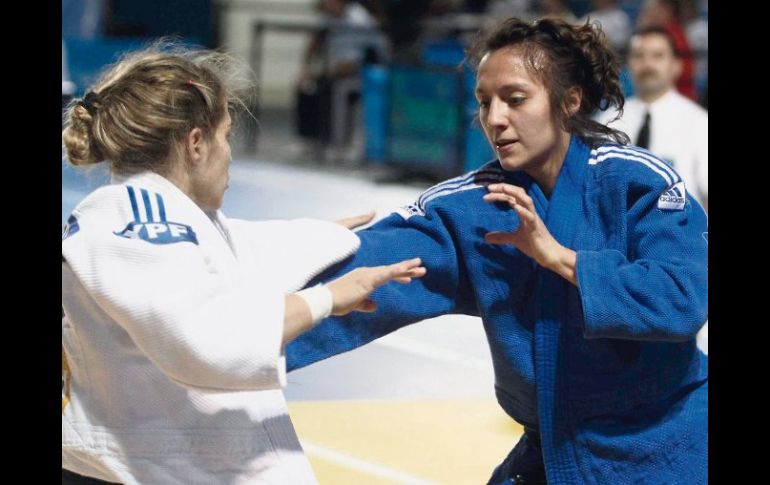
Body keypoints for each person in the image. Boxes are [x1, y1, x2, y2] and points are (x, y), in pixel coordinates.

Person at [286, 17, 708, 484]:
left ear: (570, 101)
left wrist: (560, 258)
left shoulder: (636, 183)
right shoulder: (478, 205)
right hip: (558, 450)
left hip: (668, 443)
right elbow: (379, 264)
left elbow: (682, 296)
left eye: (515, 98)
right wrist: (270, 302)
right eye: (485, 102)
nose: (495, 118)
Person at [61, 43, 425, 484]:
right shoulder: (139, 227)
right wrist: (327, 299)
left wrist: (328, 236)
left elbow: (245, 251)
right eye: (226, 136)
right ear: (196, 143)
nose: (229, 154)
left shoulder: (155, 216)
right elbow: (211, 342)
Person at [595, 27, 707, 210]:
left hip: (680, 233)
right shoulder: (607, 120)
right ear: (628, 65)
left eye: (657, 56)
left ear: (677, 65)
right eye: (639, 56)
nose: (647, 64)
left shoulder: (700, 123)